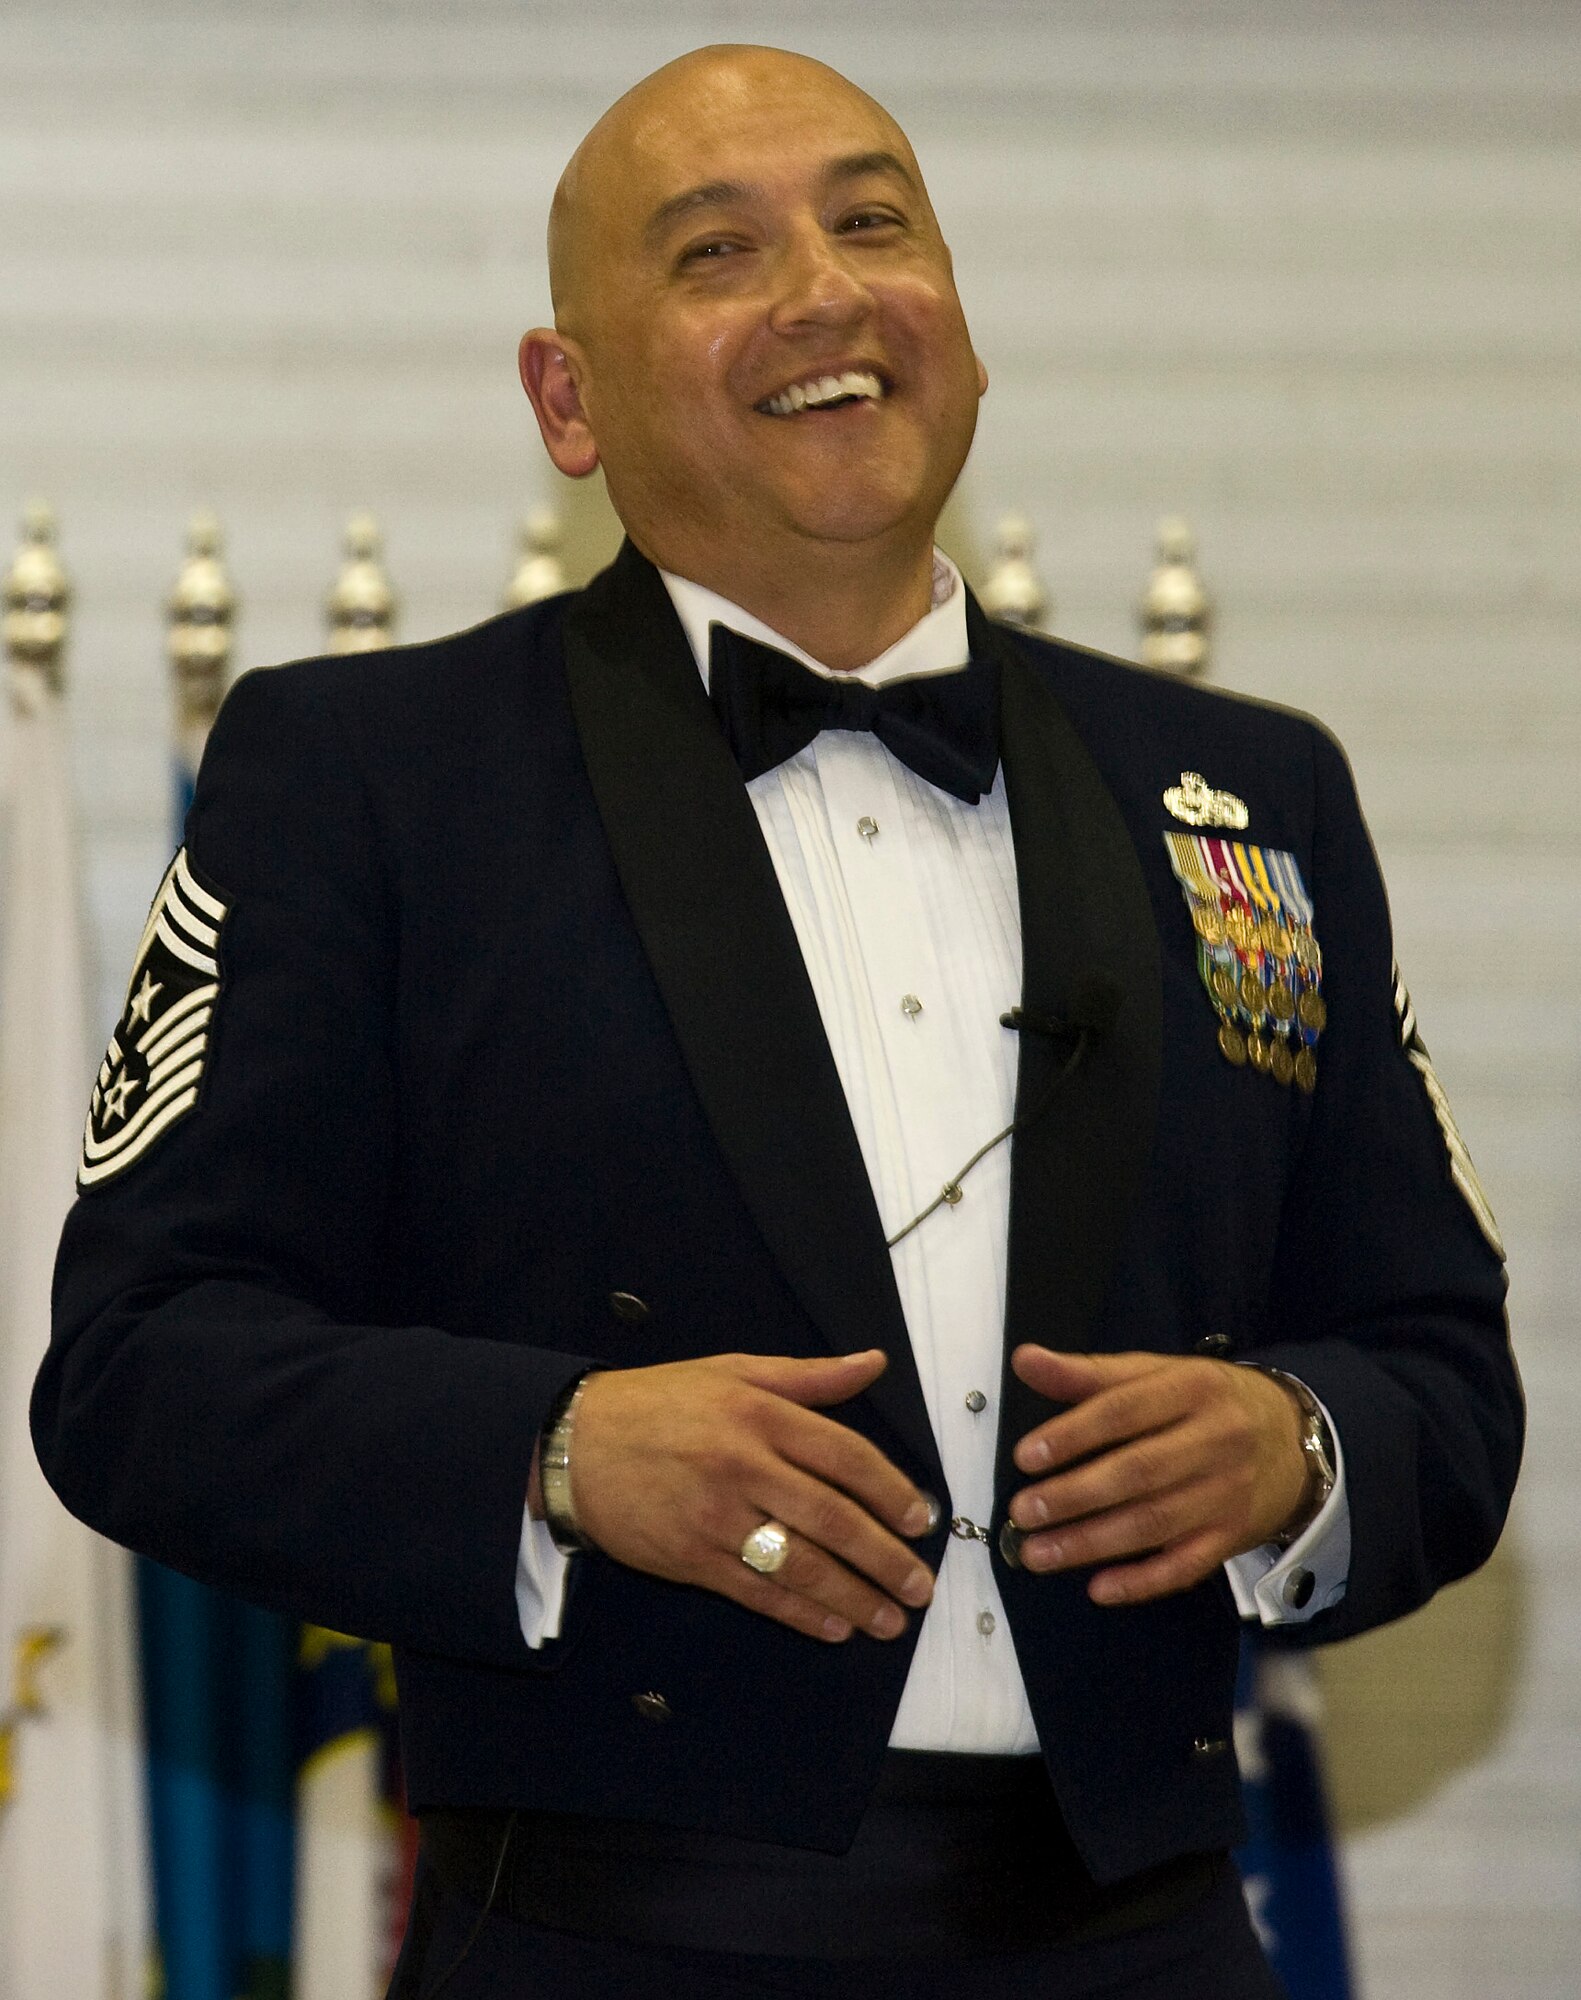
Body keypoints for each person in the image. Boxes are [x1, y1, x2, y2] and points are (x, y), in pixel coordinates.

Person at [34, 44, 1520, 2000]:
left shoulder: (1244, 788)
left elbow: (1440, 1369)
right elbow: (141, 1368)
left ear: (961, 325)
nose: (824, 290)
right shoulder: (365, 775)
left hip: (1149, 1947)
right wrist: (555, 1447)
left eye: (872, 221)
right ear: (564, 397)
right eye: (717, 250)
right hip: (599, 1946)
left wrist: (1295, 1446)